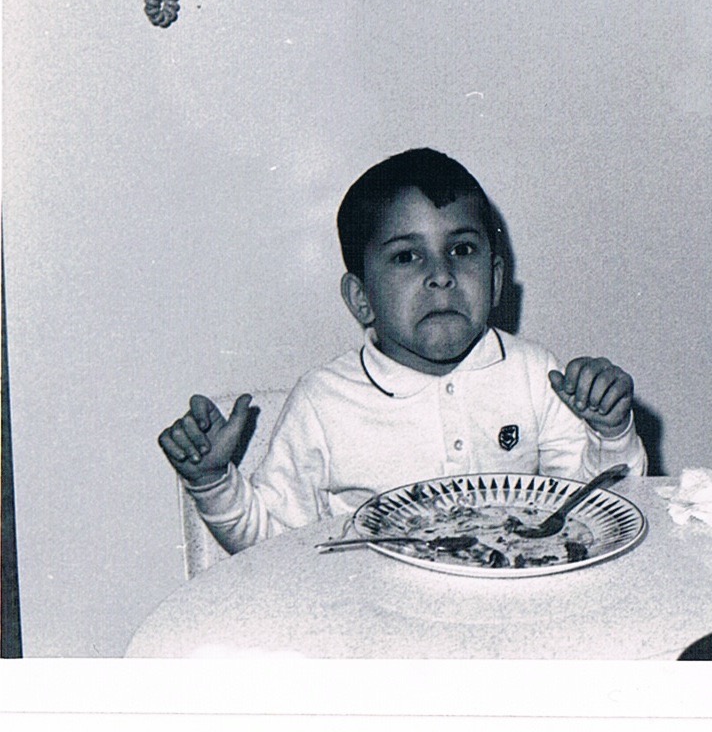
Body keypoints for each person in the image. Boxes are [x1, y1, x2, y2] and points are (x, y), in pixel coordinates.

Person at [159, 147, 648, 554]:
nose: (440, 274)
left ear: (497, 280)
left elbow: (592, 509)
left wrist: (609, 431)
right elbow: (269, 545)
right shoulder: (324, 403)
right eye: (406, 256)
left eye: (461, 249)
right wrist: (211, 482)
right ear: (361, 298)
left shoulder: (533, 373)